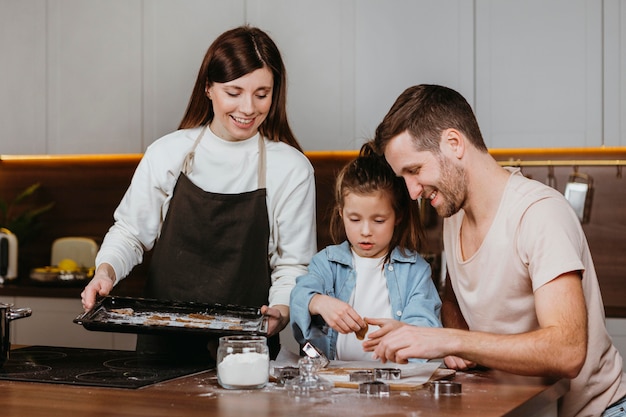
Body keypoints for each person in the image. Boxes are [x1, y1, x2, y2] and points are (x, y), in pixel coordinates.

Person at [364, 84, 626, 416]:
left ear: (454, 143)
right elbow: (453, 297)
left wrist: (448, 340)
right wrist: (459, 342)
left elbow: (567, 351)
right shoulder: (454, 216)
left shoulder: (539, 213)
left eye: (415, 170)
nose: (413, 191)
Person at [80, 25, 317, 360]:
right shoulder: (167, 153)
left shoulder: (291, 168)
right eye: (234, 93)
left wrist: (280, 311)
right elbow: (131, 232)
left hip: (244, 347)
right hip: (162, 344)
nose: (248, 108)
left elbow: (293, 263)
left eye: (262, 94)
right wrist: (105, 272)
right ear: (208, 88)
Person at [290, 143, 441, 361]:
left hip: (394, 382)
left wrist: (403, 332)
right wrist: (318, 302)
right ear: (341, 213)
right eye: (355, 219)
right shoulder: (326, 262)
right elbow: (298, 296)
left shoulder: (416, 270)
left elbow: (426, 326)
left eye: (379, 220)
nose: (366, 231)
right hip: (334, 384)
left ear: (397, 216)